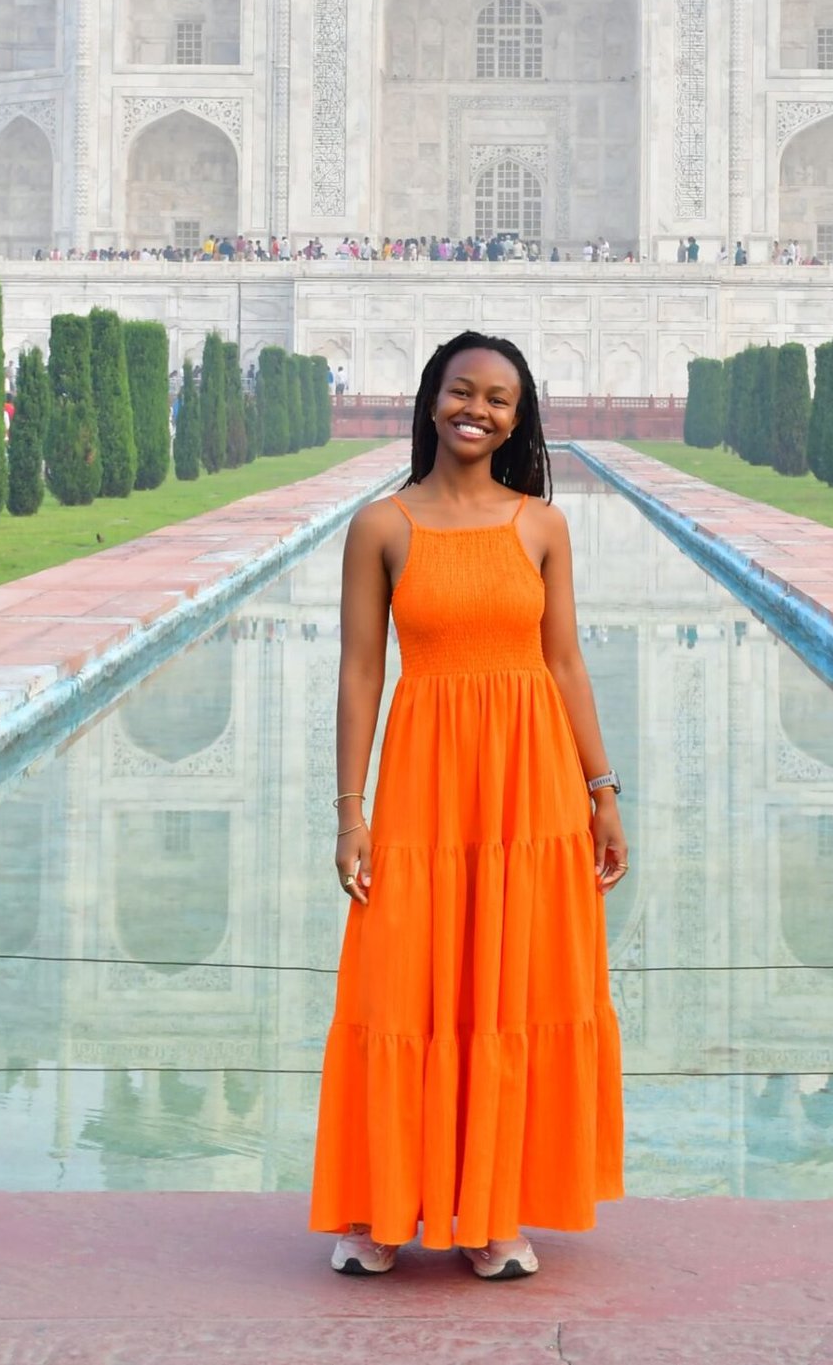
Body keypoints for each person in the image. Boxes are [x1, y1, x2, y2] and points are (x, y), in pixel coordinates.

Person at [311, 331, 625, 1279]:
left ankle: (492, 1210)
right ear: (431, 397)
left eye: (497, 398)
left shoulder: (540, 525)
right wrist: (349, 809)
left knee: (511, 986)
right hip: (425, 777)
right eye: (461, 391)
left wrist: (602, 791)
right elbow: (361, 669)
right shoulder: (382, 526)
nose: (476, 410)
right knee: (404, 979)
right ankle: (380, 1209)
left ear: (517, 418)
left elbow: (564, 661)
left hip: (527, 786)